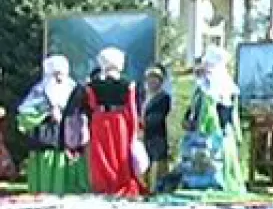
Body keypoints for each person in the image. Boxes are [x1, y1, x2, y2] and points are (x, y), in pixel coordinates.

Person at [15, 55, 91, 195]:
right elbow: (24, 113)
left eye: (61, 74)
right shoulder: (38, 91)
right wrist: (47, 113)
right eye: (55, 74)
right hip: (45, 139)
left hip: (69, 140)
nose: (59, 78)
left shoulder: (74, 89)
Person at [178, 45, 245, 195]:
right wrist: (188, 119)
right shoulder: (202, 88)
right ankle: (195, 183)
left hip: (218, 135)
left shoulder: (225, 89)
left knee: (216, 163)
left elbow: (226, 113)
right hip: (198, 134)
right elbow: (195, 107)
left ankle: (220, 183)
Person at [83, 48, 144, 196]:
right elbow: (132, 109)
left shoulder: (92, 84)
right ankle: (120, 184)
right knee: (120, 152)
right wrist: (134, 130)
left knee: (102, 154)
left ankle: (103, 185)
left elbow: (91, 104)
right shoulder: (128, 83)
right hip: (119, 120)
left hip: (100, 120)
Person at [140, 64, 173, 193]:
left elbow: (158, 116)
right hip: (144, 135)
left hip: (157, 135)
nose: (152, 81)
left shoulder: (163, 97)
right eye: (149, 78)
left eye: (156, 78)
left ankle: (155, 188)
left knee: (157, 162)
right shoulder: (143, 96)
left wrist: (143, 123)